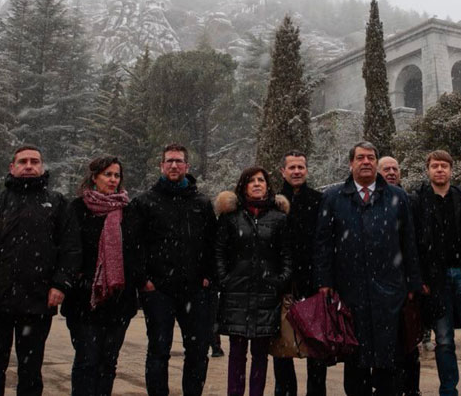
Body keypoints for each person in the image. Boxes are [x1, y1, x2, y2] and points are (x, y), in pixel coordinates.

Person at [0, 145, 80, 396]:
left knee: (31, 371)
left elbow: (71, 249)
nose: (29, 166)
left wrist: (60, 284)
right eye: (23, 161)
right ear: (12, 167)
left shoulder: (57, 204)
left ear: (42, 167)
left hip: (37, 302)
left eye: (35, 161)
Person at [315, 141, 423, 396]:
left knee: (391, 359)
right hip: (350, 292)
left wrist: (412, 283)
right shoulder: (333, 197)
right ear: (351, 163)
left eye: (371, 158)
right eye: (360, 158)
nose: (366, 162)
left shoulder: (397, 197)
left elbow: (409, 243)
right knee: (355, 360)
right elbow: (323, 244)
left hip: (390, 291)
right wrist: (324, 282)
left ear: (376, 163)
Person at [130, 143, 217, 396]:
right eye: (169, 161)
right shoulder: (145, 202)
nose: (174, 165)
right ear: (161, 166)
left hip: (195, 290)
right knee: (159, 350)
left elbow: (212, 244)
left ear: (187, 167)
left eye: (179, 161)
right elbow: (135, 246)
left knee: (198, 351)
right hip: (158, 290)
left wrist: (208, 276)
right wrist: (144, 280)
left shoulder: (201, 203)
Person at [413, 150, 461, 396]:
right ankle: (448, 390)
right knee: (443, 340)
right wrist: (421, 278)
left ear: (451, 170)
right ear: (428, 170)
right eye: (435, 165)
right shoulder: (419, 201)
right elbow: (414, 244)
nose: (440, 170)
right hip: (436, 277)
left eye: (444, 165)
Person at [62, 155, 138, 396]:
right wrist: (80, 280)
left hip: (118, 300)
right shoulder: (76, 209)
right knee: (87, 360)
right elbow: (68, 249)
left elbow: (135, 251)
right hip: (84, 300)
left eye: (117, 175)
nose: (113, 179)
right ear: (94, 177)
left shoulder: (128, 210)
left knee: (108, 363)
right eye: (108, 174)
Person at [215, 166, 293, 396]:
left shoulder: (278, 219)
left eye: (261, 180)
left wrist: (280, 281)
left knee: (261, 353)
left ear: (268, 186)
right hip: (236, 294)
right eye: (252, 181)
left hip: (267, 295)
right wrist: (225, 280)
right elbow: (219, 251)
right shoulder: (231, 218)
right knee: (237, 353)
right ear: (243, 186)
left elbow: (286, 255)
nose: (257, 184)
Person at [273, 151, 328, 396]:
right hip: (282, 285)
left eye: (301, 167)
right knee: (282, 348)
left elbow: (326, 242)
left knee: (317, 347)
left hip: (313, 284)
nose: (297, 171)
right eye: (292, 167)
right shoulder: (272, 202)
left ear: (307, 170)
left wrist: (324, 279)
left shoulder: (319, 200)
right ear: (283, 171)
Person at [378, 155, 421, 396]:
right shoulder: (374, 200)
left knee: (409, 341)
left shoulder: (411, 200)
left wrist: (415, 280)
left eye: (395, 168)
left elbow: (414, 244)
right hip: (382, 283)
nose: (391, 172)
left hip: (405, 283)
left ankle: (411, 389)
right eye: (386, 169)